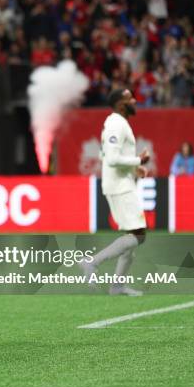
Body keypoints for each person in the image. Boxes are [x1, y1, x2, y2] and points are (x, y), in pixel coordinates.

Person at [79, 88, 149, 296]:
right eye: (130, 98)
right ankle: (91, 263)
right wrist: (138, 160)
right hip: (119, 186)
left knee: (131, 236)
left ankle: (117, 286)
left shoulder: (117, 123)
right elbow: (111, 158)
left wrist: (134, 168)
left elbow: (106, 154)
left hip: (122, 182)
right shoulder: (116, 124)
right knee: (139, 235)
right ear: (120, 104)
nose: (135, 100)